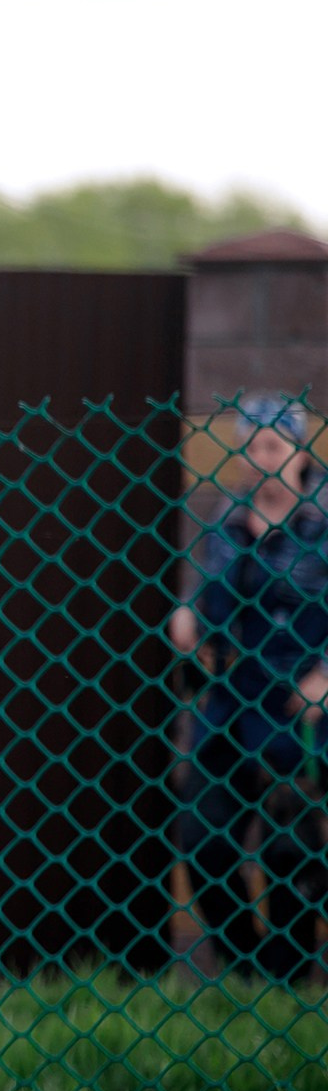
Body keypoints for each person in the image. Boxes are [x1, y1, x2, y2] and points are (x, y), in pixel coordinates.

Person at [167, 396, 328, 976]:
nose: (260, 459)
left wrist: (326, 675)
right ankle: (245, 970)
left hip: (301, 717)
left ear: (299, 450)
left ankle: (285, 987)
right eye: (250, 447)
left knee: (290, 856)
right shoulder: (226, 521)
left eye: (273, 446)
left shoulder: (324, 520)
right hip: (232, 708)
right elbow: (208, 592)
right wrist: (188, 615)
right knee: (201, 838)